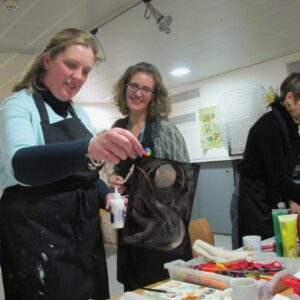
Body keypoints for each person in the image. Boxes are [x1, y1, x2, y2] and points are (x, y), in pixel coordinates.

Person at [0, 28, 144, 300]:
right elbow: (21, 165)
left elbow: (85, 175)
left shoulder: (79, 113)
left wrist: (108, 198)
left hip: (82, 232)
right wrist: (89, 147)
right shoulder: (18, 105)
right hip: (36, 234)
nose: (78, 76)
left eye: (86, 71)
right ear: (47, 61)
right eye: (71, 65)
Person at [109, 61, 191, 291]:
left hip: (163, 232)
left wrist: (152, 179)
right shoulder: (118, 127)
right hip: (131, 230)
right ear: (124, 87)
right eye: (133, 86)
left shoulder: (164, 129)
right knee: (135, 290)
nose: (137, 93)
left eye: (146, 89)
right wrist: (115, 181)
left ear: (154, 95)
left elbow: (183, 182)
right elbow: (116, 171)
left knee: (162, 290)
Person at [231, 72, 300, 249]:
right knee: (252, 253)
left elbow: (284, 174)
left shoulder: (291, 129)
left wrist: (292, 199)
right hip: (251, 198)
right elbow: (279, 178)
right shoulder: (269, 126)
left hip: (268, 196)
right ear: (290, 97)